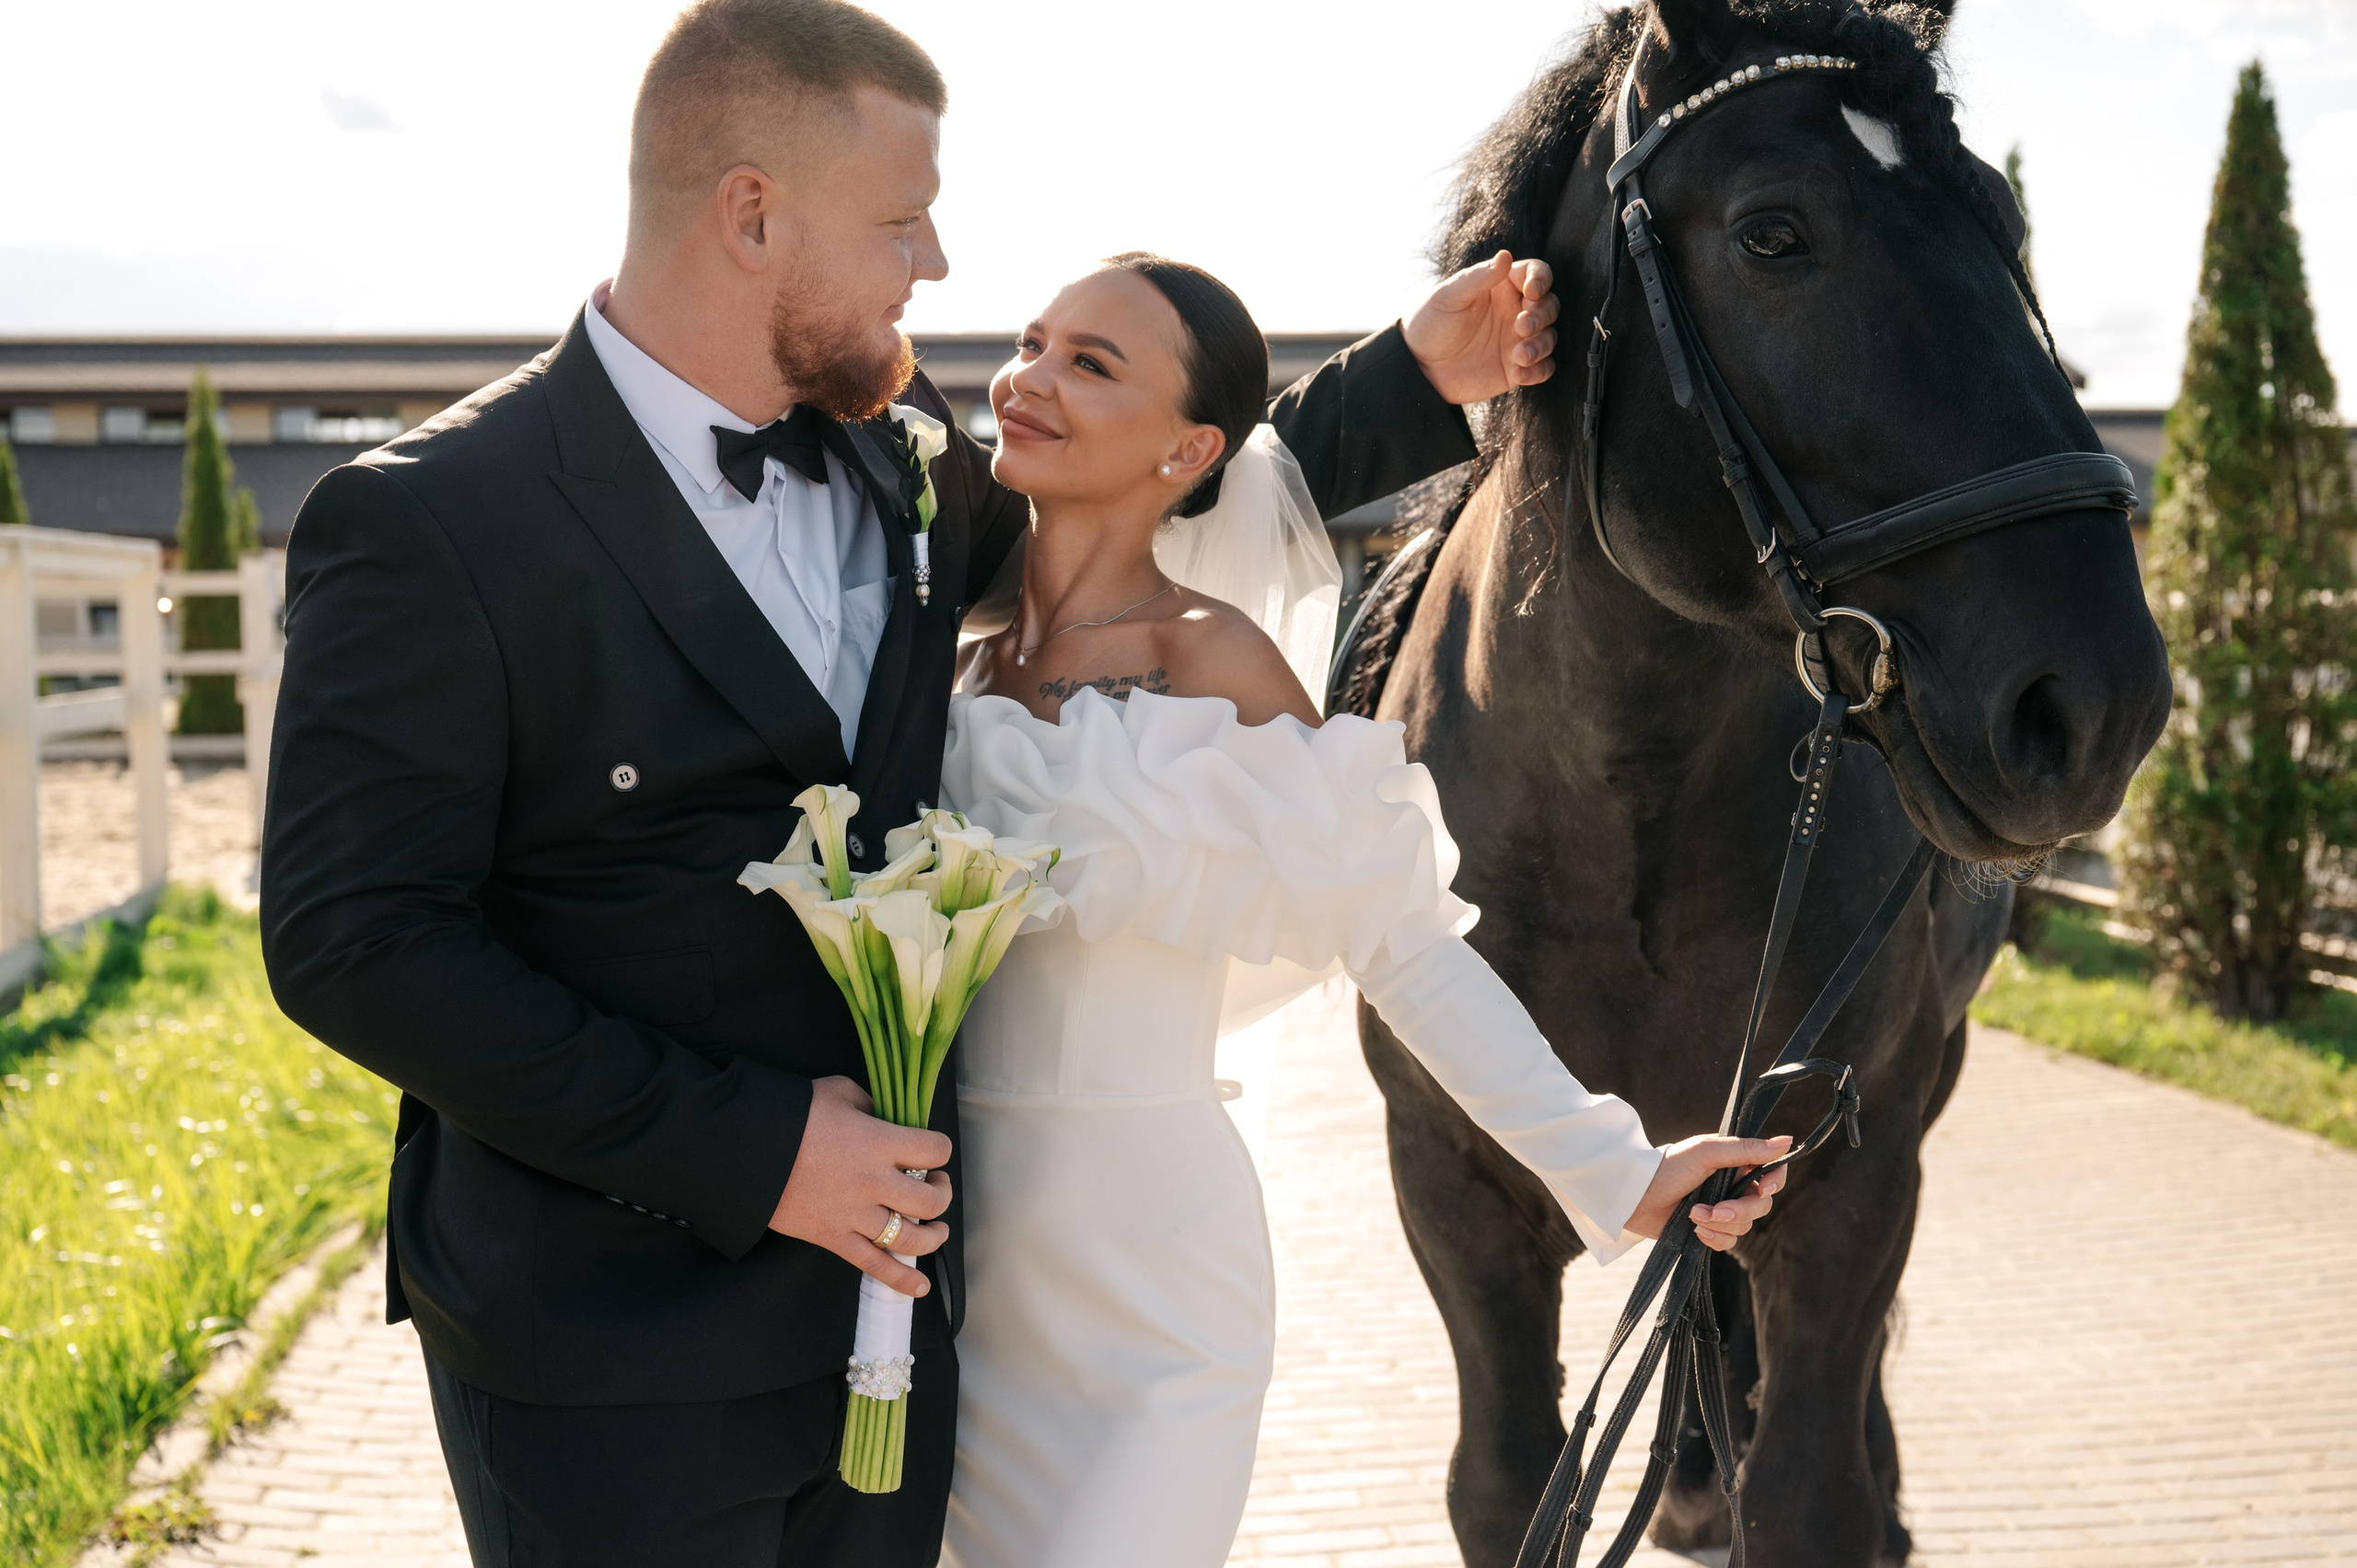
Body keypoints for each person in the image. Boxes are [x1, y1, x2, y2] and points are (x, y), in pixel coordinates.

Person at [259, 2, 1588, 1563]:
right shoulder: (433, 525)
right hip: (604, 1356)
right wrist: (758, 1154)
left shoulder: (902, 464)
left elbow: (1138, 502)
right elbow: (357, 946)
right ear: (752, 213)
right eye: (902, 221)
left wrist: (1413, 382)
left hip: (916, 1347)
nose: (937, 267)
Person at [937, 255, 1789, 1568]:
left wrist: (1617, 1171)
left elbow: (1406, 951)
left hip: (1159, 1283)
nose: (1027, 380)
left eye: (1090, 364)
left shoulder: (1218, 664)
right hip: (959, 1283)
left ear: (1192, 448)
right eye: (1034, 342)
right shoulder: (950, 673)